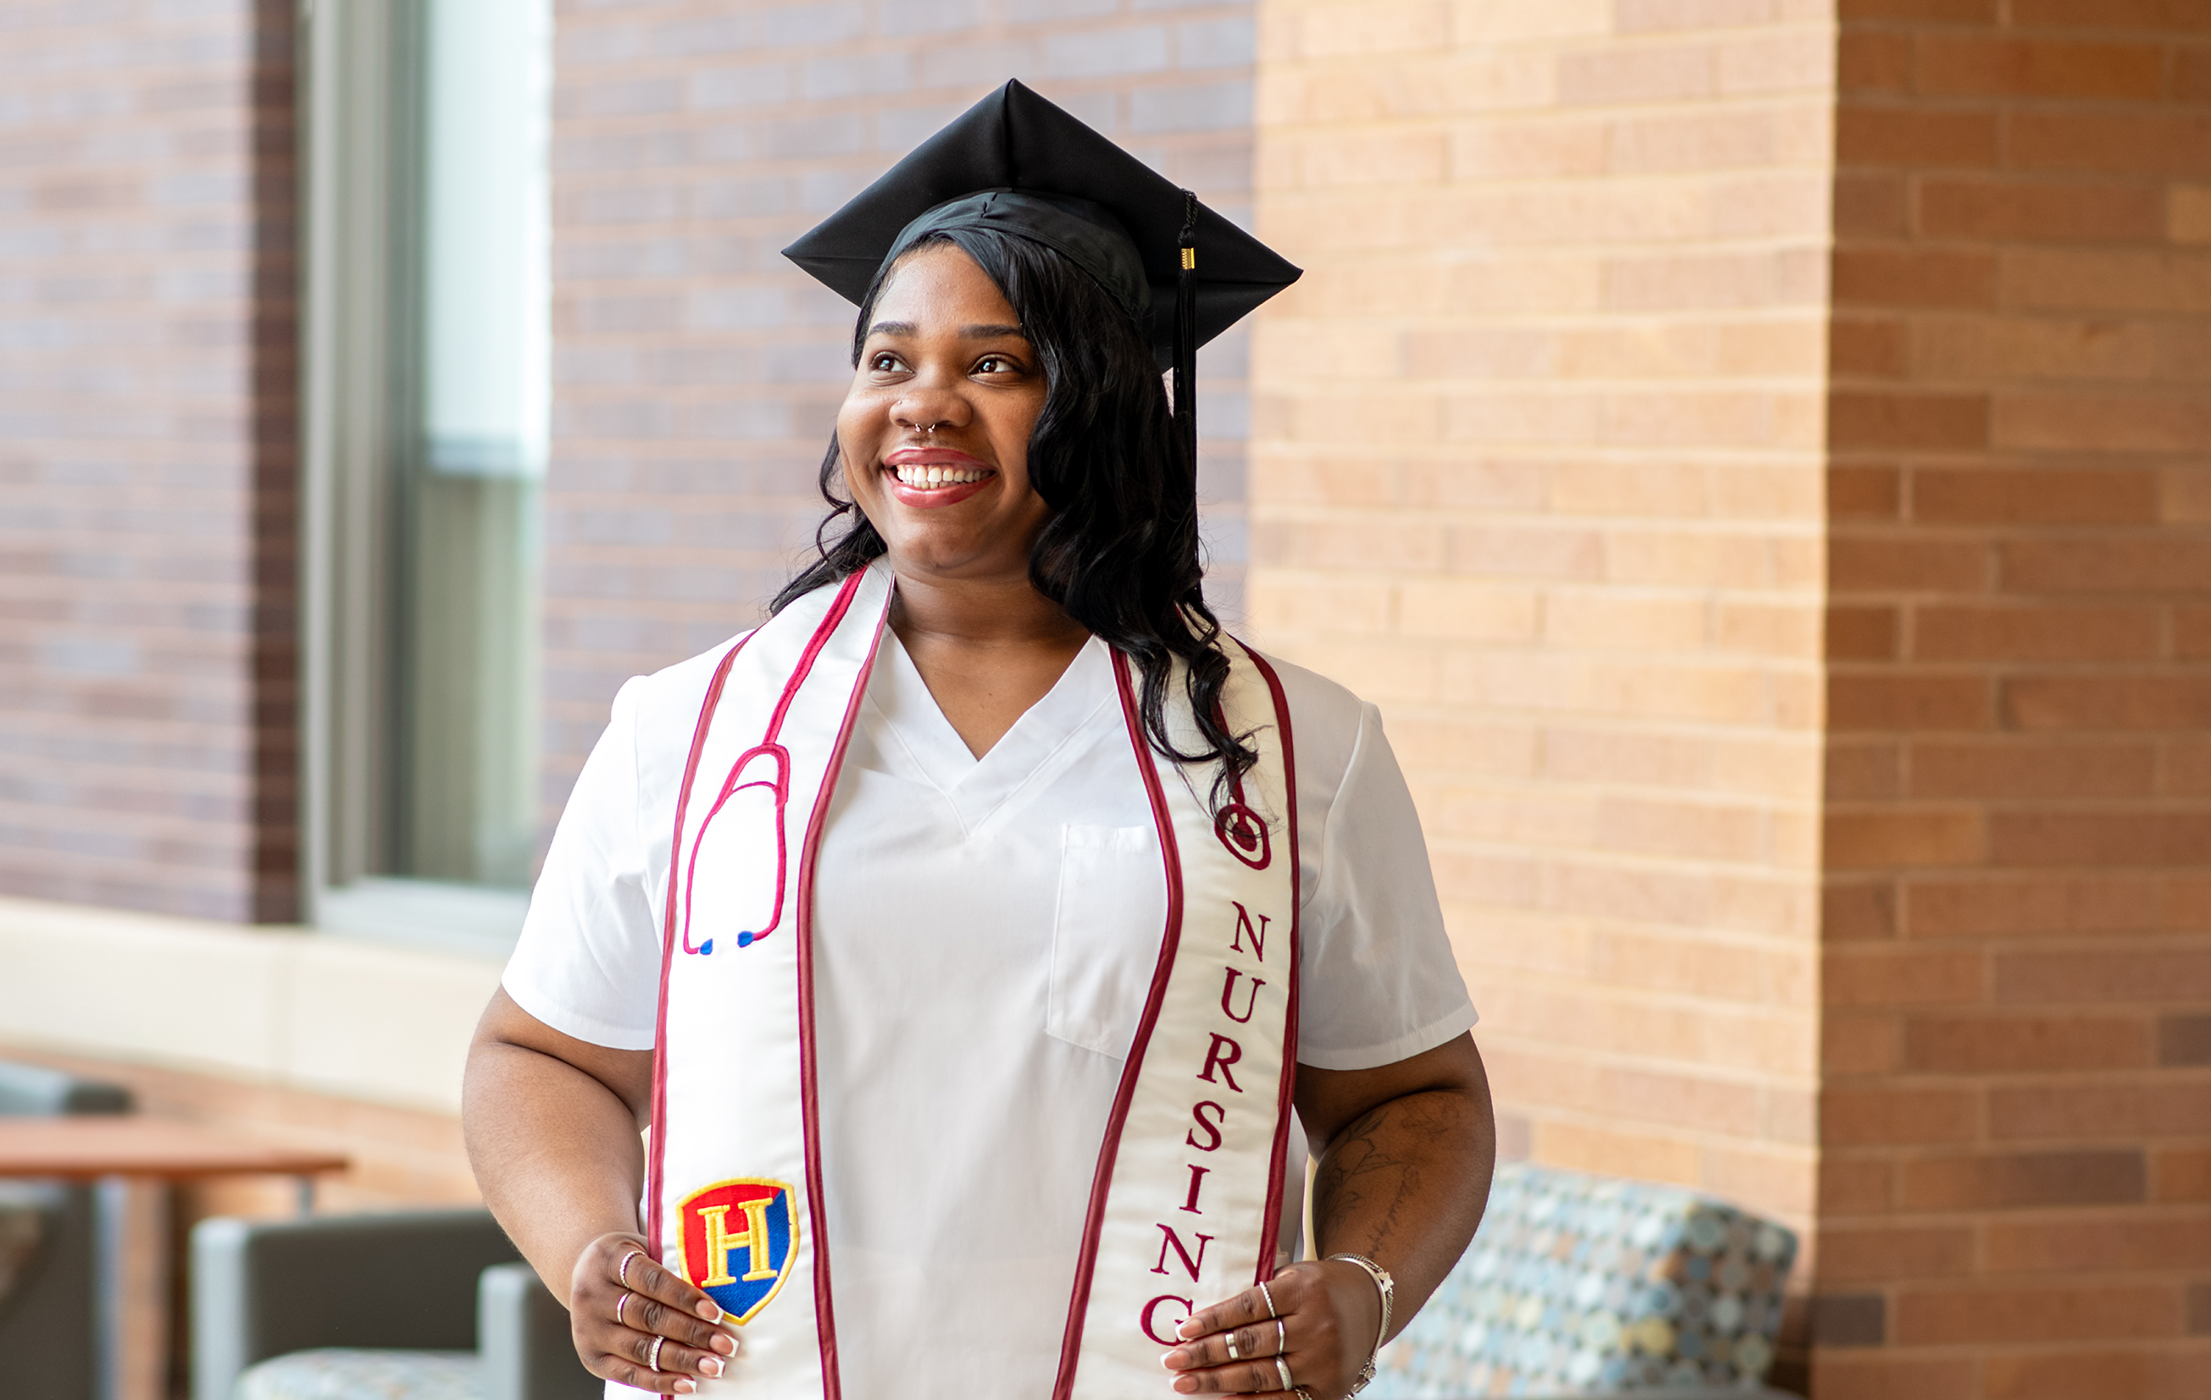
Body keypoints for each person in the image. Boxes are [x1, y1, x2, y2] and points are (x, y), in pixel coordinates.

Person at [463, 82, 1494, 1400]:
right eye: (888, 359)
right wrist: (589, 1250)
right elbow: (540, 1053)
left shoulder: (1293, 752)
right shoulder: (695, 732)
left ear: (1108, 404)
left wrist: (1365, 1288)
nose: (922, 403)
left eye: (993, 364)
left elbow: (1417, 1095)